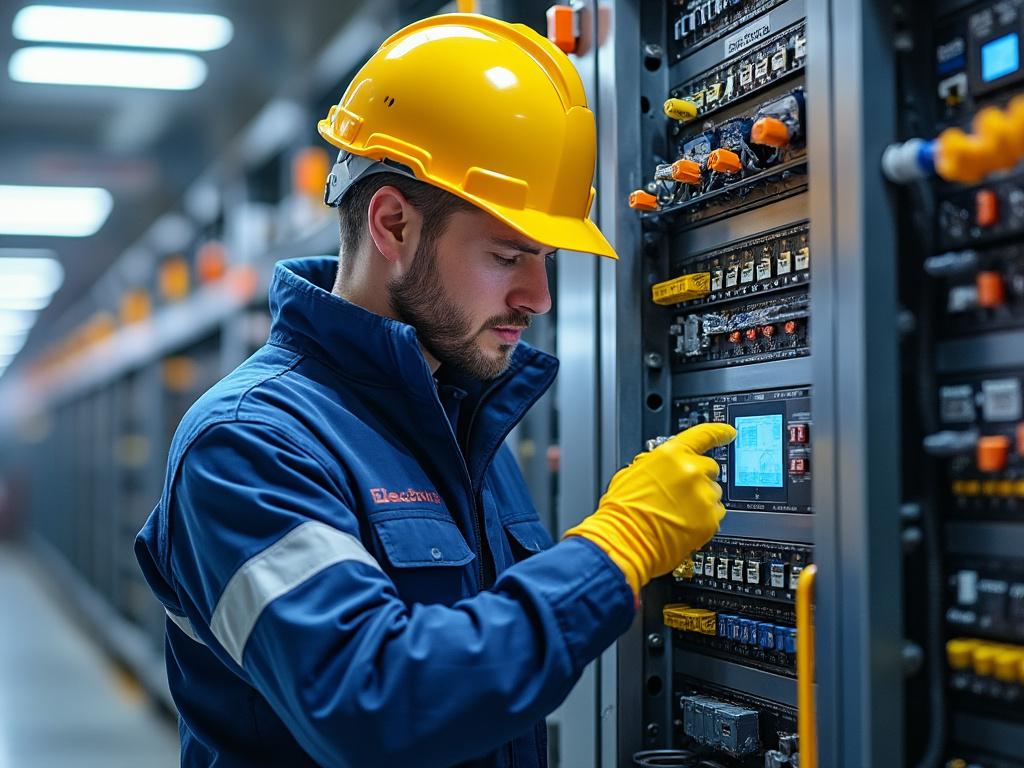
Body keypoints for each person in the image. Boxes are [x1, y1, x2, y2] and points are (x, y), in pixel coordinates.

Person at [135, 13, 736, 768]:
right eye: (508, 254)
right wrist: (613, 553)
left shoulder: (458, 418)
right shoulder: (248, 442)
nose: (538, 296)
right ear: (394, 223)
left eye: (543, 259)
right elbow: (371, 704)